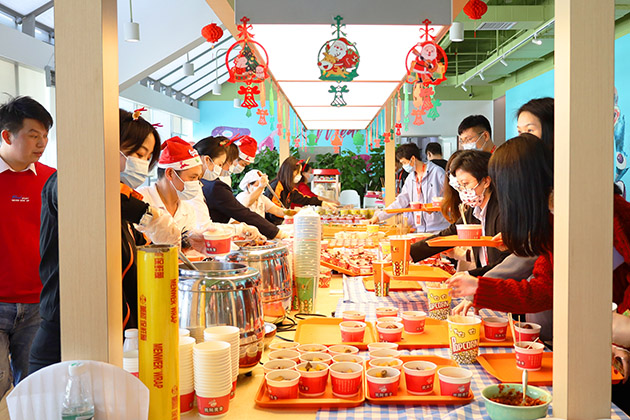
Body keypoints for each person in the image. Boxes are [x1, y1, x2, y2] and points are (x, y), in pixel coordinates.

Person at [30, 108, 180, 374]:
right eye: (136, 153)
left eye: (147, 157)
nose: (141, 163)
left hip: (112, 333)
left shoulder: (120, 197)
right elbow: (95, 196)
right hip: (66, 335)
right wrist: (149, 215)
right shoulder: (67, 181)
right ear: (108, 146)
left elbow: (138, 249)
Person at [0, 96, 55, 392]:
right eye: (33, 135)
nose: (42, 143)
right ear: (7, 136)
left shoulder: (53, 180)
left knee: (35, 386)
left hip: (39, 303)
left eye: (45, 135)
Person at [409, 150, 510, 275]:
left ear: (486, 181)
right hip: (484, 277)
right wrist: (410, 253)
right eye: (460, 185)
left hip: (497, 279)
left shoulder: (502, 210)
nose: (463, 190)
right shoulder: (474, 209)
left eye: (465, 184)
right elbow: (449, 234)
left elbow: (505, 262)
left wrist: (469, 275)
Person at [195, 137, 286, 240]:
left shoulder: (209, 181)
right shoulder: (214, 185)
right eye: (221, 164)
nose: (229, 167)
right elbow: (242, 213)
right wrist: (240, 229)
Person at [369, 143, 449, 233]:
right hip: (420, 230)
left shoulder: (437, 172)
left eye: (404, 162)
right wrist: (379, 217)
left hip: (440, 228)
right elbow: (400, 201)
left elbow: (451, 196)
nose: (403, 166)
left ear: (413, 159)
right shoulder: (410, 178)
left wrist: (436, 208)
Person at [266, 156, 334, 224]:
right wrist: (289, 217)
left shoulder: (289, 188)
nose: (299, 175)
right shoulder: (277, 186)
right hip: (271, 225)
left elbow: (304, 199)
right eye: (297, 173)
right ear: (289, 172)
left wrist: (321, 203)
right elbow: (273, 211)